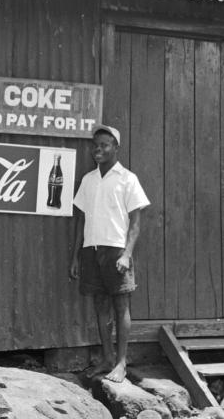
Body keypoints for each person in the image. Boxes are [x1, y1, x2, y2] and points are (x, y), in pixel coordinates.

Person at [69, 124, 149, 382]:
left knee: (120, 305)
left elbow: (136, 223)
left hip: (116, 251)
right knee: (100, 305)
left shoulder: (128, 179)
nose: (98, 149)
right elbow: (81, 220)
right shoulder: (89, 180)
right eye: (95, 145)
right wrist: (75, 256)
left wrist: (126, 254)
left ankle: (122, 363)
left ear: (116, 147)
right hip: (91, 250)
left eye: (104, 145)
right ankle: (106, 359)